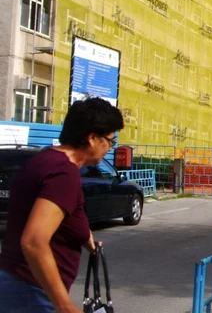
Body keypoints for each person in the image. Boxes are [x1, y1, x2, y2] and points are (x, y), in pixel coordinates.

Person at [0, 98, 124, 313]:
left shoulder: (45, 159)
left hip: (19, 284)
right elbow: (33, 241)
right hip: (32, 292)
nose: (110, 148)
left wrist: (87, 240)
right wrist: (63, 304)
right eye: (110, 140)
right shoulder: (62, 174)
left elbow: (60, 216)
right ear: (92, 138)